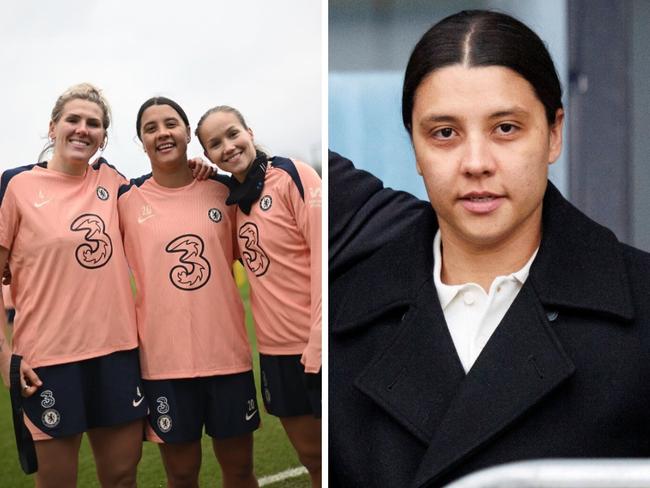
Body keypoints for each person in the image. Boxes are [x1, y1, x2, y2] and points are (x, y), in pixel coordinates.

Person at [329, 9, 650, 488]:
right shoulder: (341, 321)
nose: (476, 163)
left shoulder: (641, 307)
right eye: (444, 134)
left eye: (506, 129)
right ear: (414, 148)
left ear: (554, 134)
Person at [0, 83, 147, 488]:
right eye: (74, 120)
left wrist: (196, 169)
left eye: (94, 124)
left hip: (117, 353)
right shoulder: (16, 186)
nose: (83, 129)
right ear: (53, 128)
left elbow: (165, 195)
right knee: (57, 482)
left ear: (103, 136)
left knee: (121, 478)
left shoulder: (113, 181)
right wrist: (4, 355)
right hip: (48, 362)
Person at [118, 97, 260, 488]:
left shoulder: (224, 192)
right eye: (151, 128)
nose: (162, 133)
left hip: (227, 358)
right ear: (141, 141)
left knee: (240, 471)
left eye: (171, 123)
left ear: (186, 134)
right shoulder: (125, 201)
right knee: (181, 475)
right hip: (164, 365)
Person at [195, 106, 322, 487]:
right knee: (313, 458)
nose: (228, 146)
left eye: (233, 134)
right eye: (215, 144)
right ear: (207, 155)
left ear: (249, 131)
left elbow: (322, 257)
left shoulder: (292, 176)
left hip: (317, 345)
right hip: (276, 353)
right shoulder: (232, 201)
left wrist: (319, 338)